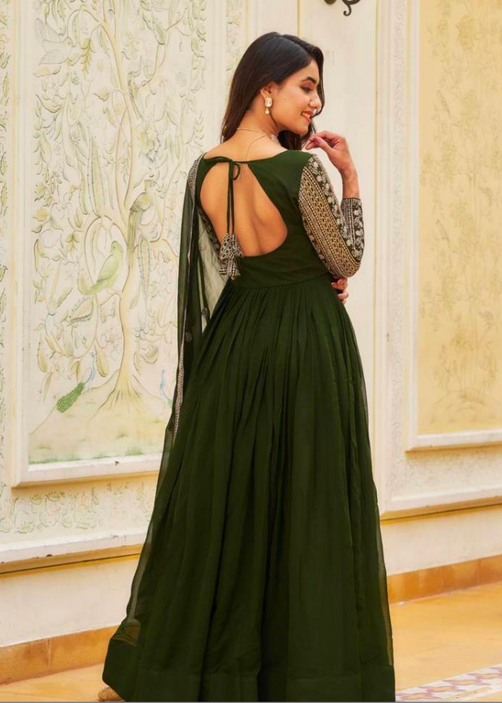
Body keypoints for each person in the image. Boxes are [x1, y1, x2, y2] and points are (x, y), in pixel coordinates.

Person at [98, 31, 395, 702]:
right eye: (306, 86)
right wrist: (349, 179)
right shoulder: (299, 171)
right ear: (266, 88)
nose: (316, 103)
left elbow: (229, 264)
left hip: (235, 348)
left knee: (236, 508)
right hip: (305, 347)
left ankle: (201, 673)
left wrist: (302, 272)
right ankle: (302, 674)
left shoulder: (204, 170)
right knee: (307, 502)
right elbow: (344, 260)